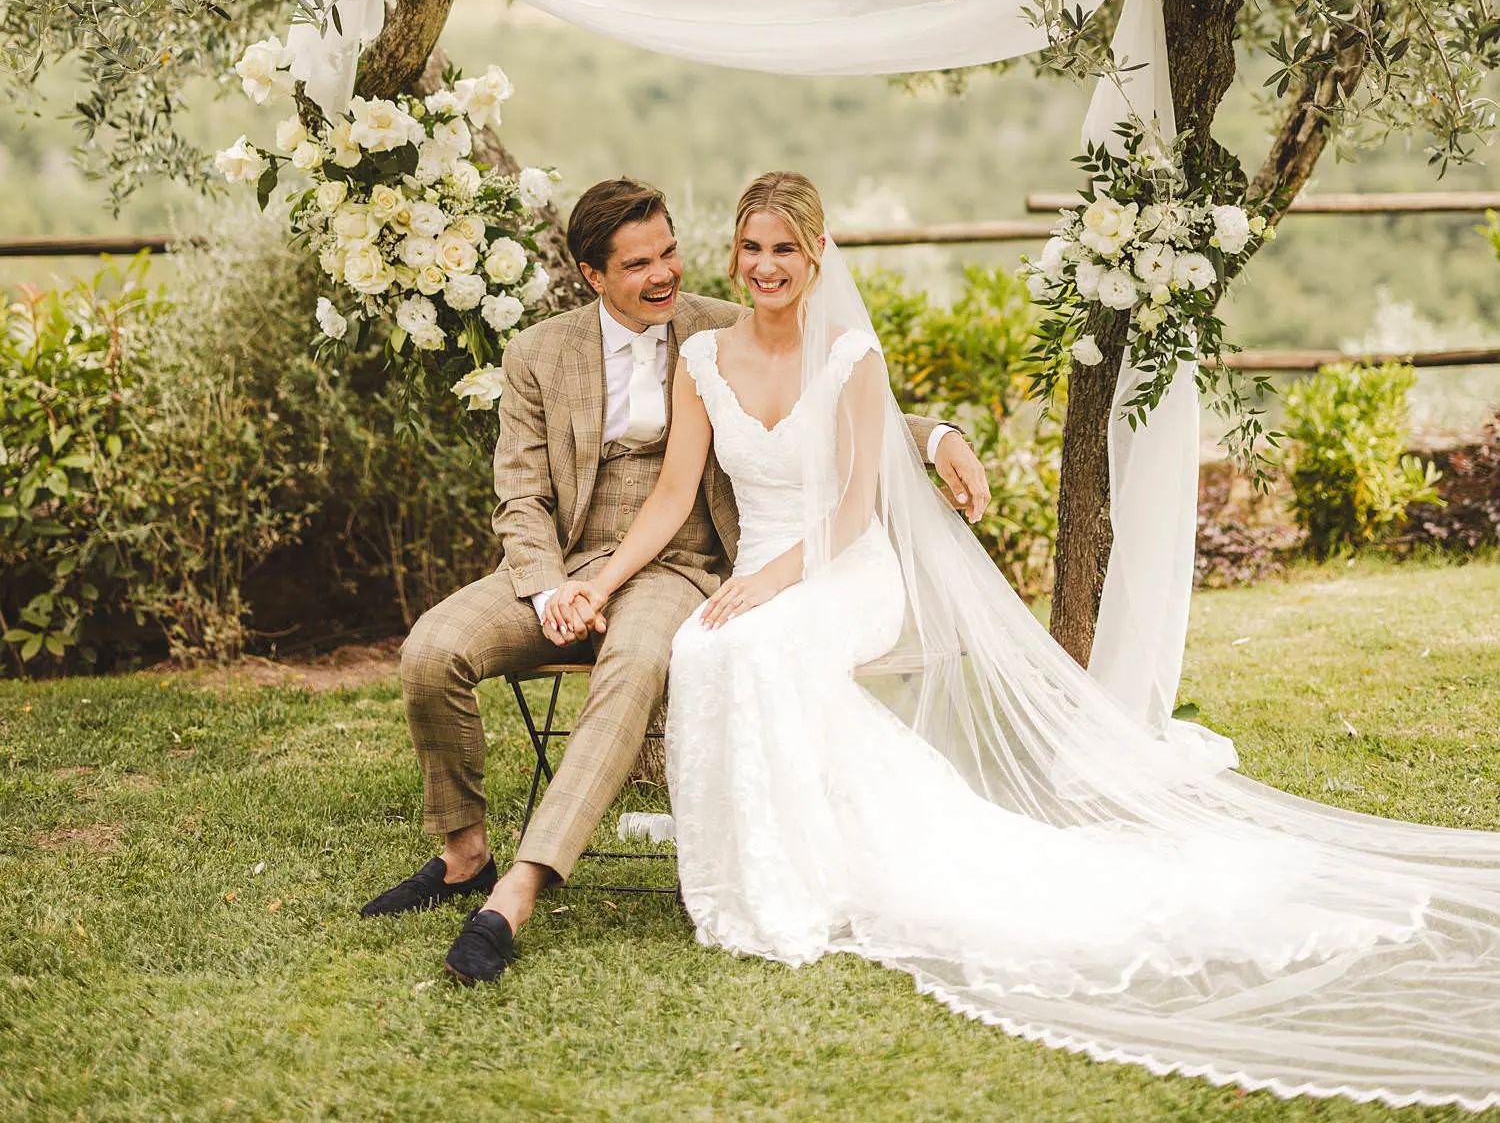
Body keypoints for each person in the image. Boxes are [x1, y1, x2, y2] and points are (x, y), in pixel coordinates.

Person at [484, 170, 1500, 1112]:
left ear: (818, 252)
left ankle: (803, 881)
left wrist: (774, 578)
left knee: (751, 647)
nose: (766, 265)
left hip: (842, 569)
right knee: (707, 650)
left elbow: (853, 506)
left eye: (785, 247)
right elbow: (671, 494)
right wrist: (598, 581)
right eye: (752, 246)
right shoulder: (704, 357)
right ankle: (751, 877)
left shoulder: (850, 354)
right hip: (761, 572)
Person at [358, 175, 991, 986]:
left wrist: (936, 436)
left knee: (635, 666)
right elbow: (519, 496)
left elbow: (830, 386)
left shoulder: (717, 325)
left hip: (676, 567)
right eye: (638, 264)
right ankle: (463, 854)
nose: (663, 275)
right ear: (592, 274)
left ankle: (519, 889)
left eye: (669, 253)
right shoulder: (537, 354)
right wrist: (553, 590)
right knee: (430, 650)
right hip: (567, 565)